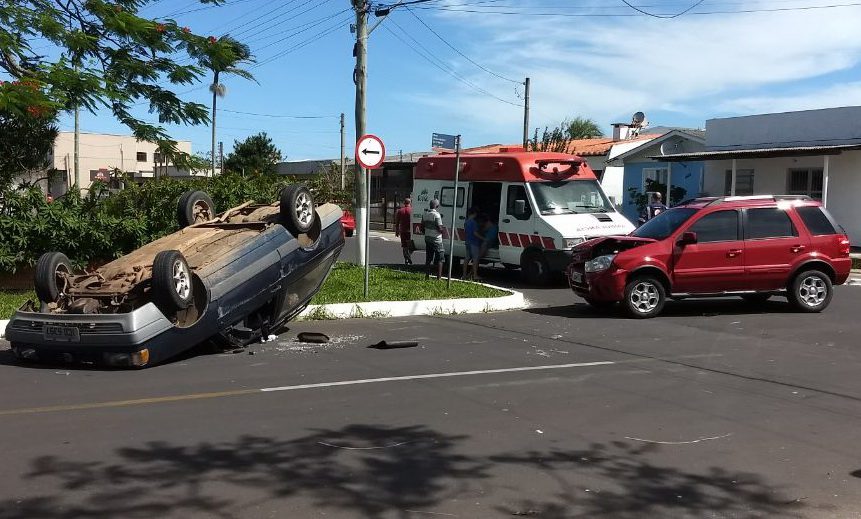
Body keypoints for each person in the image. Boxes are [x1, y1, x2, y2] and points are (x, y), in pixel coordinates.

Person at [422, 199, 445, 280]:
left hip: (428, 238)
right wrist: (443, 232)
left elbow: (422, 227)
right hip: (436, 240)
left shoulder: (425, 214)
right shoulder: (436, 215)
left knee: (428, 258)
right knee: (440, 258)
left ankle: (427, 276)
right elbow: (439, 227)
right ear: (437, 206)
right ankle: (439, 278)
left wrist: (427, 232)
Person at [462, 207, 482, 280]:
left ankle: (464, 275)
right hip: (474, 242)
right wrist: (483, 238)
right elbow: (475, 233)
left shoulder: (466, 222)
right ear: (474, 214)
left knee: (467, 258)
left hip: (468, 242)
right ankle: (475, 275)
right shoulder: (474, 222)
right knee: (475, 259)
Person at [477, 215, 499, 280]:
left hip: (487, 242)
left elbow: (484, 232)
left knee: (477, 258)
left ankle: (472, 273)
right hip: (488, 241)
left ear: (489, 222)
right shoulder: (494, 227)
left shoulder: (493, 227)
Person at [394, 197, 413, 265]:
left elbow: (397, 222)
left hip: (403, 231)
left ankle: (406, 259)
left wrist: (397, 231)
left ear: (404, 203)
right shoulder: (412, 210)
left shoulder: (400, 211)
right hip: (410, 231)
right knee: (411, 246)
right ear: (410, 203)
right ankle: (408, 255)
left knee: (404, 246)